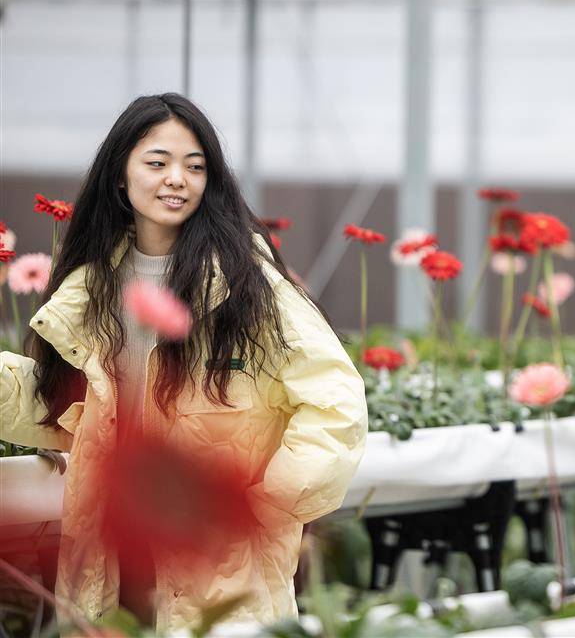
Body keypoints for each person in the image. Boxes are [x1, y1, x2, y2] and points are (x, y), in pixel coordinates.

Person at [0, 94, 368, 631]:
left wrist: (269, 502)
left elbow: (335, 401)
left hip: (219, 564)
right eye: (157, 163)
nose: (177, 179)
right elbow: (67, 405)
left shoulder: (245, 282)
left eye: (195, 167)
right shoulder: (93, 286)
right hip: (111, 556)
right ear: (120, 176)